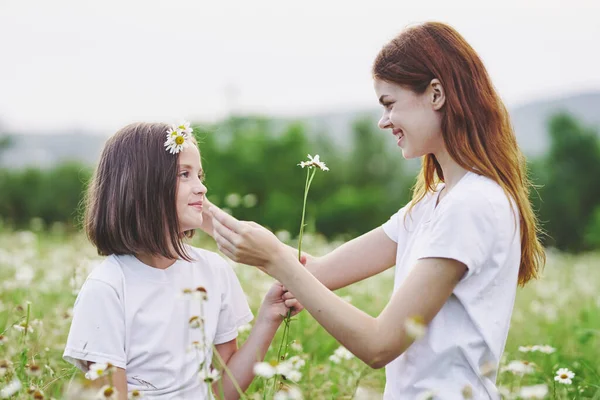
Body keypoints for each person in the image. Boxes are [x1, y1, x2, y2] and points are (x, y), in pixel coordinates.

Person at [206, 22, 546, 399]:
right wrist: (200, 212)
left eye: (389, 104)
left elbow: (380, 345)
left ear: (436, 94)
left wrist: (276, 260)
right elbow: (317, 273)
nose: (383, 121)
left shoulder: (473, 205)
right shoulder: (433, 202)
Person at [63, 122, 299, 400]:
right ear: (142, 187)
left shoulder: (214, 270)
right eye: (184, 175)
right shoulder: (108, 287)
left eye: (199, 175)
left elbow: (223, 390)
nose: (202, 188)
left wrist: (269, 317)